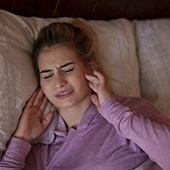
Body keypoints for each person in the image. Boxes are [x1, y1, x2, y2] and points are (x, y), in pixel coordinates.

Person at [0, 21, 170, 170]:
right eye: (47, 75)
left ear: (90, 68)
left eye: (67, 69)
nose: (59, 82)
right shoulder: (41, 147)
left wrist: (114, 112)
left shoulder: (130, 110)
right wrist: (21, 139)